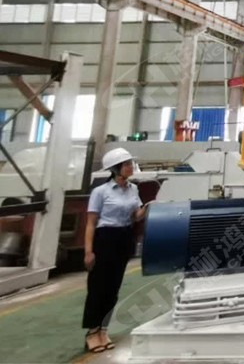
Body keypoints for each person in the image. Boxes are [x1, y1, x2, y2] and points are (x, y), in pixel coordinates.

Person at [82, 148, 148, 353]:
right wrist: (88, 251)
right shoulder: (101, 192)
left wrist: (148, 208)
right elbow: (91, 223)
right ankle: (92, 332)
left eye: (130, 163)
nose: (131, 167)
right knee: (98, 288)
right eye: (127, 164)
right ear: (115, 169)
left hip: (124, 239)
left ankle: (103, 330)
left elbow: (135, 216)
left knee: (113, 288)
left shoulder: (133, 189)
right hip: (104, 239)